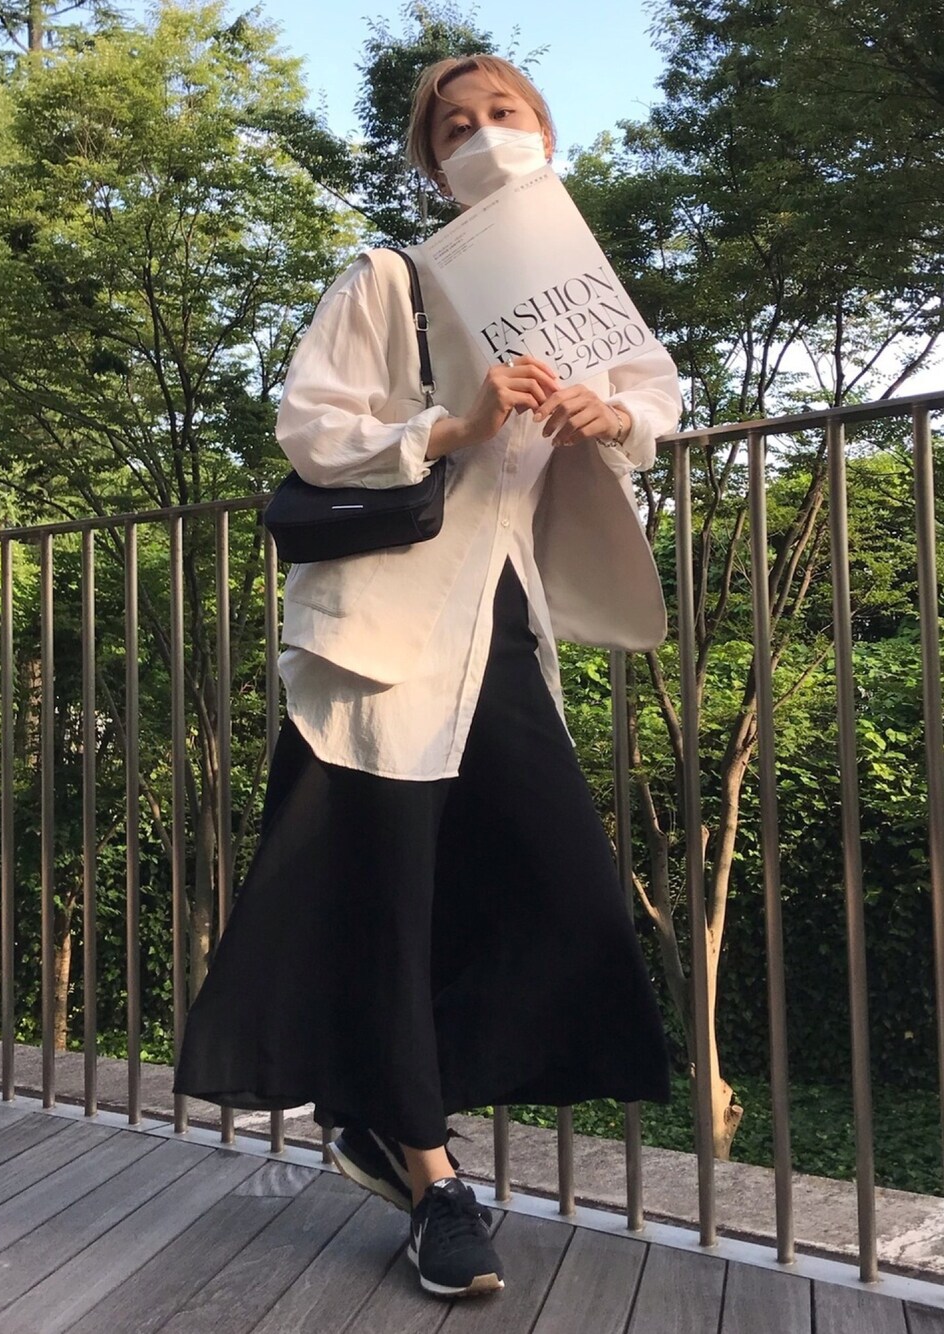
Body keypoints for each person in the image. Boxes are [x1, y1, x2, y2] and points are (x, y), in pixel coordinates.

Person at [175, 53, 682, 1301]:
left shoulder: (577, 290)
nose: (482, 134)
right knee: (388, 902)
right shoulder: (389, 278)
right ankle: (429, 1169)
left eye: (502, 112)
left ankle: (373, 1097)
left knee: (570, 896)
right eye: (454, 126)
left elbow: (652, 393)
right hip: (381, 633)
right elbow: (312, 425)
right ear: (432, 163)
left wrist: (613, 420)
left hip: (501, 624)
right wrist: (450, 426)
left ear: (544, 129)